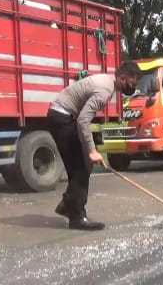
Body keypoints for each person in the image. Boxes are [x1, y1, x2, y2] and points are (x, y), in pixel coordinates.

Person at [47, 61, 142, 230]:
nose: (132, 88)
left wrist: (91, 150)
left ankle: (68, 204)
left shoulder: (107, 82)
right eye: (131, 84)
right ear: (123, 78)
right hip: (61, 118)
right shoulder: (104, 90)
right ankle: (77, 217)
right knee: (81, 167)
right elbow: (83, 120)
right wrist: (91, 151)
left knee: (83, 164)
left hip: (64, 117)